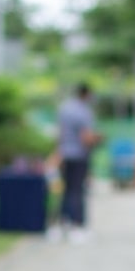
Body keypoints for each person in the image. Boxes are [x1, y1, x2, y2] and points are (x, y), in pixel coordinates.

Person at [54, 82, 99, 242]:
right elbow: (86, 137)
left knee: (66, 190)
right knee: (77, 191)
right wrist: (97, 140)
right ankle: (77, 226)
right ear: (86, 94)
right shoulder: (83, 111)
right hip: (79, 156)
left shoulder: (64, 108)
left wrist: (58, 152)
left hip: (65, 154)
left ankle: (61, 225)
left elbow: (59, 133)